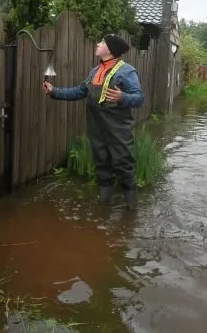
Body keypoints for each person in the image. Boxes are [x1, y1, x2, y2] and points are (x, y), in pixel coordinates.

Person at [43, 34, 144, 207]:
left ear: (111, 49)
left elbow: (139, 98)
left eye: (102, 43)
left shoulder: (127, 71)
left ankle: (132, 211)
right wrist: (54, 91)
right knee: (102, 166)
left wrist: (122, 97)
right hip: (97, 129)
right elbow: (79, 92)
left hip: (118, 130)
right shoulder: (95, 72)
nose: (98, 44)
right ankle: (104, 207)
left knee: (124, 167)